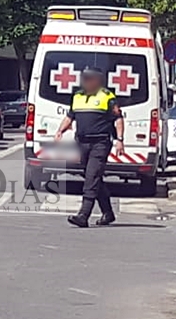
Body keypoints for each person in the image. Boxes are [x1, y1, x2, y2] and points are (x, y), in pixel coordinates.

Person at [53, 67, 124, 228]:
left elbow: (118, 119)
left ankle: (83, 215)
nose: (87, 82)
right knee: (92, 178)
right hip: (82, 143)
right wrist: (60, 131)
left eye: (90, 79)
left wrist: (120, 139)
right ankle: (108, 213)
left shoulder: (107, 96)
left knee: (91, 178)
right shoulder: (77, 97)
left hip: (100, 143)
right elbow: (70, 116)